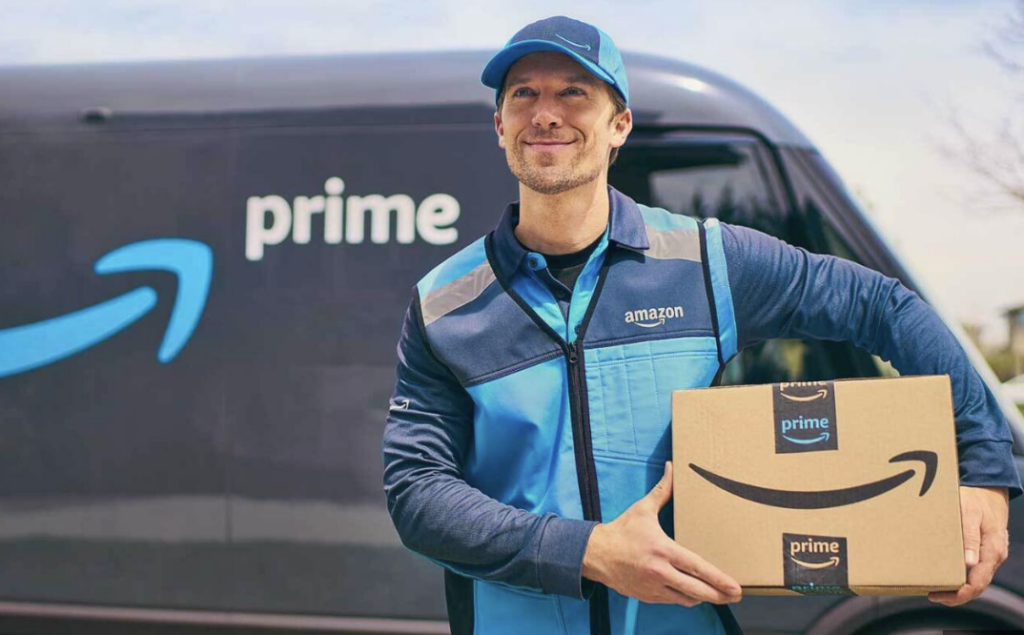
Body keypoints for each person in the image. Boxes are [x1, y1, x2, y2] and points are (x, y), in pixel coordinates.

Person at [381, 15, 1021, 635]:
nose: (545, 112)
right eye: (524, 94)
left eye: (574, 92)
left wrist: (983, 470)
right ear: (500, 125)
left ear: (619, 125)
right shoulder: (443, 303)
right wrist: (588, 552)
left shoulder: (706, 262)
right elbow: (418, 493)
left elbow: (882, 306)